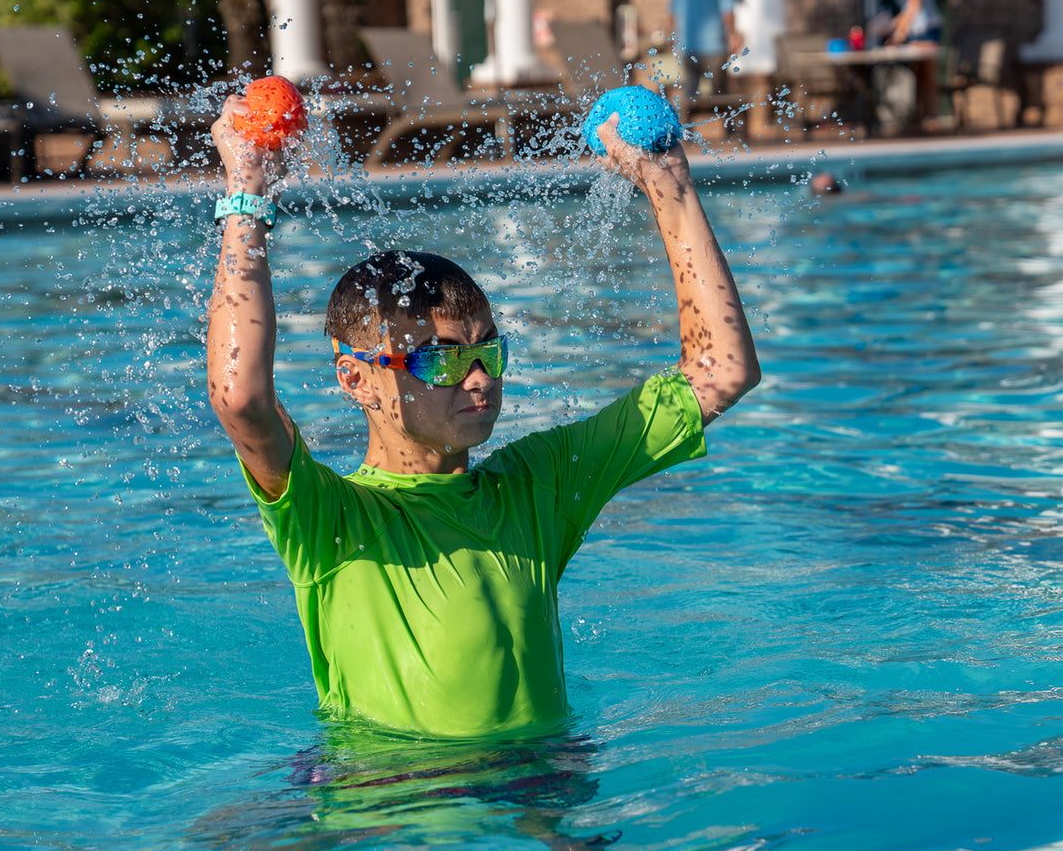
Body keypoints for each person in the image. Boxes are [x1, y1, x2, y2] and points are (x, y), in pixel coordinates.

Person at [205, 93, 760, 739]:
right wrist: (246, 193)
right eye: (439, 361)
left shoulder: (540, 487)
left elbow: (722, 371)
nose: (479, 380)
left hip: (541, 788)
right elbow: (239, 397)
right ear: (355, 378)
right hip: (395, 806)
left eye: (488, 351)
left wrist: (669, 186)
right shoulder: (333, 520)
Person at [668, 0, 742, 109]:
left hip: (688, 45)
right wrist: (732, 35)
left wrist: (673, 35)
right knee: (720, 93)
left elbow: (673, 12)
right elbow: (727, 13)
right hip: (714, 47)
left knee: (690, 93)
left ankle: (686, 131)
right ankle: (728, 131)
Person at [880, 0, 943, 127]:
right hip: (916, 33)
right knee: (917, 76)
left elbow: (914, 6)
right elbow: (905, 12)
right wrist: (889, 25)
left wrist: (898, 36)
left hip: (928, 31)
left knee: (928, 76)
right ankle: (919, 118)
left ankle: (932, 119)